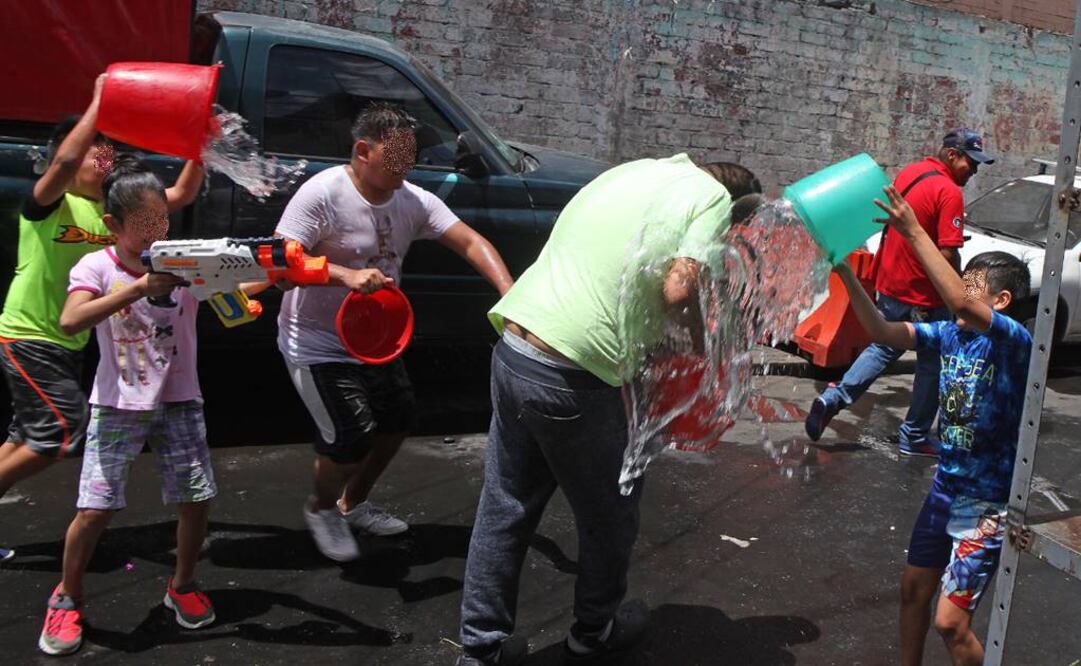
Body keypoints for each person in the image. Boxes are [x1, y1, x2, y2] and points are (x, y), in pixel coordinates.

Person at [456, 155, 766, 665]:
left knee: (505, 505)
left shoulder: (634, 171)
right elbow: (678, 288)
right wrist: (703, 345)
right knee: (609, 517)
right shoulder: (711, 200)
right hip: (574, 374)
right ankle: (592, 633)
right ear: (733, 214)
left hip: (515, 345)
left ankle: (480, 648)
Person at [273, 103, 513, 562]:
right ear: (363, 150)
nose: (407, 167)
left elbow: (470, 241)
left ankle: (353, 503)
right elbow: (282, 262)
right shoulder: (322, 195)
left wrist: (508, 292)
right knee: (349, 438)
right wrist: (344, 274)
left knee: (397, 423)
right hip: (318, 342)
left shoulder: (413, 200)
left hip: (378, 338)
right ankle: (322, 508)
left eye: (411, 157)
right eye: (397, 157)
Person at [0, 75, 204, 562]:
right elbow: (66, 162)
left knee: (23, 437)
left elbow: (180, 193)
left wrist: (200, 142)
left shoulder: (109, 214)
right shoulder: (49, 204)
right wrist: (101, 103)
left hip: (68, 343)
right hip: (30, 334)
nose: (105, 162)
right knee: (57, 433)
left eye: (111, 155)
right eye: (98, 152)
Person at [833, 185, 1031, 666]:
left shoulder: (1013, 341)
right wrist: (844, 272)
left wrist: (913, 230)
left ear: (1001, 300)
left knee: (950, 623)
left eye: (972, 286)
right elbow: (881, 330)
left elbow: (961, 304)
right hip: (945, 490)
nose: (957, 292)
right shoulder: (947, 334)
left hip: (987, 504)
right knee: (912, 592)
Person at [37, 157, 216, 656]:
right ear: (113, 224)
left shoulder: (183, 260)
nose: (156, 230)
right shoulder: (96, 266)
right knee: (95, 507)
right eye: (143, 222)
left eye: (162, 219)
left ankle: (182, 584)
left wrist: (278, 275)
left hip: (180, 399)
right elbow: (71, 320)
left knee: (196, 498)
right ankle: (67, 595)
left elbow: (236, 286)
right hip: (118, 403)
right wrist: (137, 288)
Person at [804, 129, 995, 456]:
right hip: (925, 294)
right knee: (933, 363)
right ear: (952, 155)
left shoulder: (911, 172)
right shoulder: (949, 191)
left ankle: (833, 399)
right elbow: (948, 253)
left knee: (882, 347)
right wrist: (963, 293)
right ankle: (915, 435)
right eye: (971, 162)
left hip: (890, 282)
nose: (974, 171)